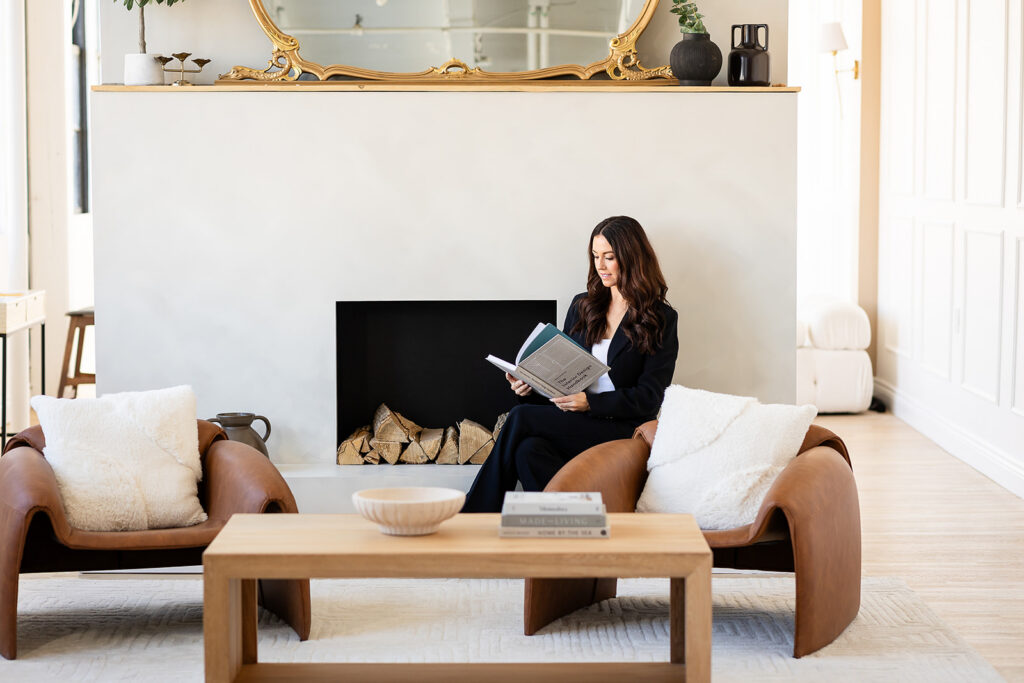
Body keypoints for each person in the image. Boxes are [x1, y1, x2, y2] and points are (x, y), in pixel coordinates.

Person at [461, 215, 679, 512]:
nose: (600, 265)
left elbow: (650, 397)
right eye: (595, 256)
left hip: (621, 428)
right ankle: (569, 522)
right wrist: (530, 384)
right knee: (528, 451)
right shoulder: (583, 306)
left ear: (631, 257)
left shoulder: (660, 318)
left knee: (520, 418)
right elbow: (562, 376)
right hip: (577, 420)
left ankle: (474, 515)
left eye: (609, 257)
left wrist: (591, 404)